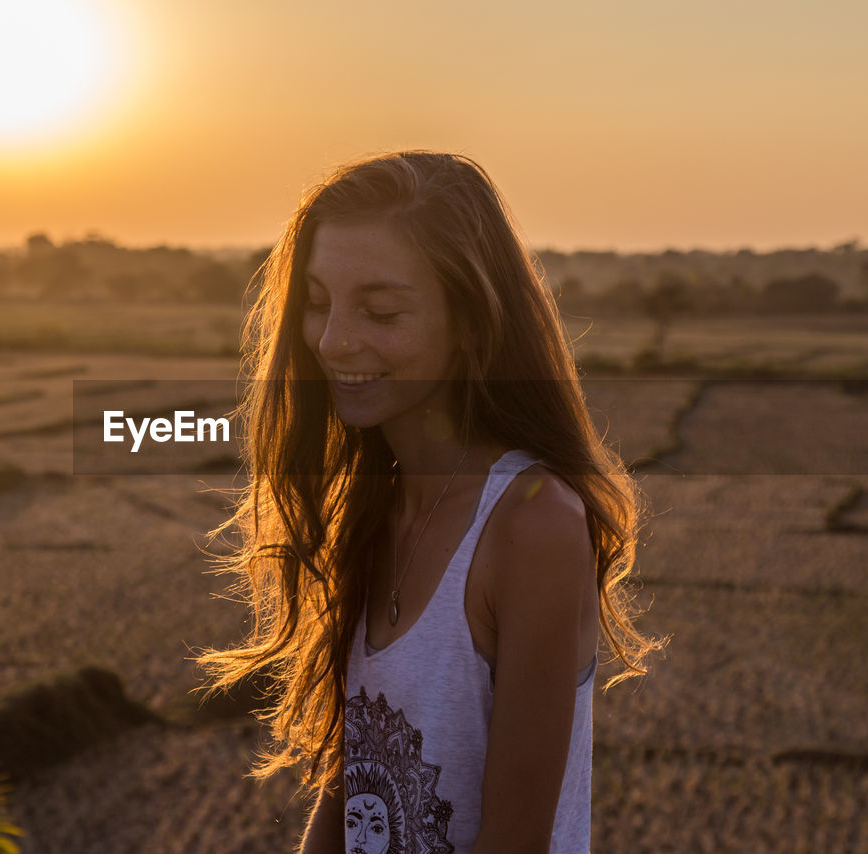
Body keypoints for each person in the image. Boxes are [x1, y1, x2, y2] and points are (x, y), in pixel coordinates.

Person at [193, 150, 666, 854]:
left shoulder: (531, 526)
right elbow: (352, 781)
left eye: (380, 310)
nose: (333, 339)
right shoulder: (372, 507)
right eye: (318, 302)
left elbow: (514, 843)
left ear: (472, 322)